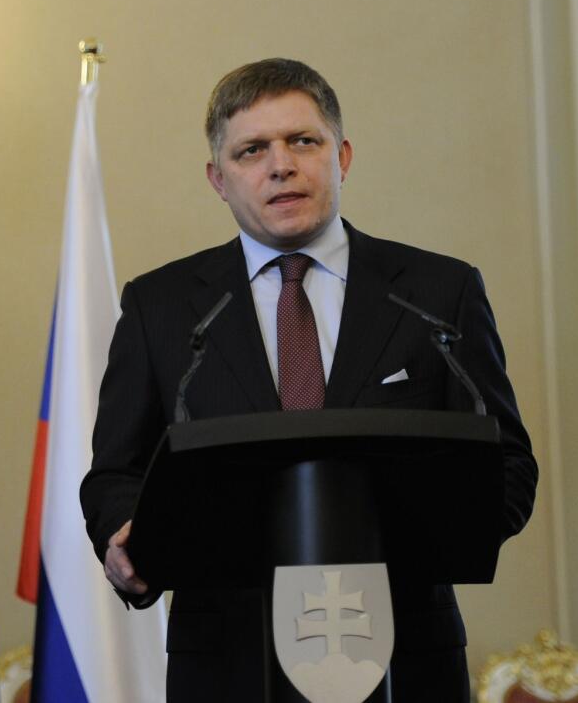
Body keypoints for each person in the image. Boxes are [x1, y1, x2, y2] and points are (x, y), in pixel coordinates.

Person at [80, 59, 537, 701]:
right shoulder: (163, 305)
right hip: (226, 662)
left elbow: (509, 465)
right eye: (251, 150)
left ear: (341, 155)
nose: (280, 165)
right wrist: (126, 537)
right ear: (219, 179)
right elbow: (115, 474)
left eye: (303, 141)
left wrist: (424, 530)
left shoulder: (438, 291)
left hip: (406, 659)